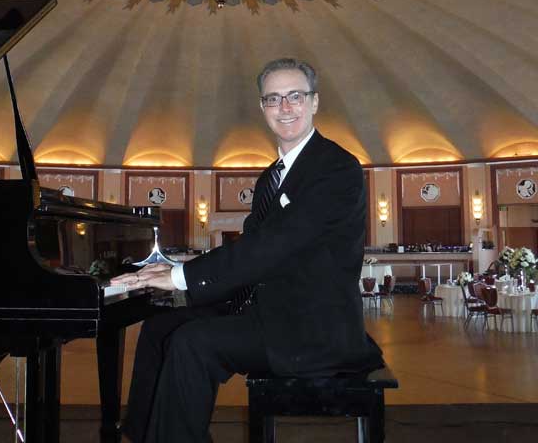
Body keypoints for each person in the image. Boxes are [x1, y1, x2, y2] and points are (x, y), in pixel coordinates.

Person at [110, 57, 383, 443]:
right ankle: (141, 435)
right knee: (159, 327)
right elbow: (254, 251)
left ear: (315, 102)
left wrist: (181, 277)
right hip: (269, 310)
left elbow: (274, 246)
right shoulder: (271, 176)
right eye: (273, 99)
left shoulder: (336, 168)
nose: (284, 107)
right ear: (262, 108)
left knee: (193, 343)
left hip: (312, 329)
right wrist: (179, 277)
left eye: (294, 96)